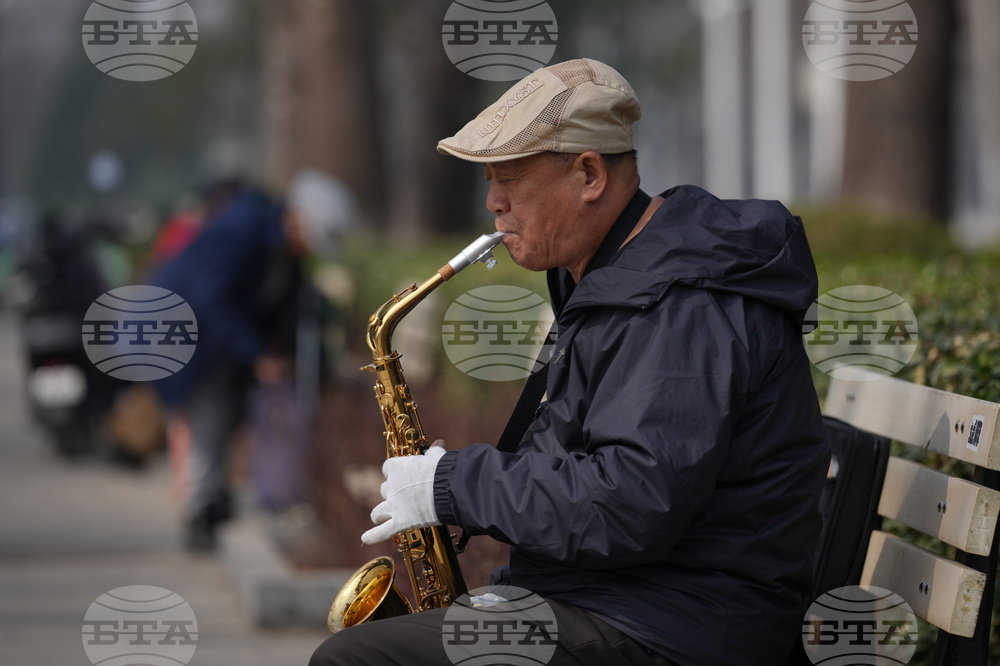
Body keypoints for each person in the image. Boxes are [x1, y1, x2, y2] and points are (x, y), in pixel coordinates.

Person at [310, 58, 828, 665]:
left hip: (677, 629)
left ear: (588, 175)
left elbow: (632, 505)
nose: (494, 203)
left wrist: (455, 485)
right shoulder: (618, 275)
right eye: (488, 180)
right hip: (630, 600)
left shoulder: (678, 303)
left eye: (510, 178)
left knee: (353, 659)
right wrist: (458, 491)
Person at [152, 169, 356, 551]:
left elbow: (289, 310)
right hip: (188, 337)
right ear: (297, 218)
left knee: (222, 420)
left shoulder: (277, 246)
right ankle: (200, 513)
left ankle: (212, 503)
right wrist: (256, 353)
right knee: (207, 421)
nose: (309, 249)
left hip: (218, 344)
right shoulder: (242, 229)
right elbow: (212, 298)